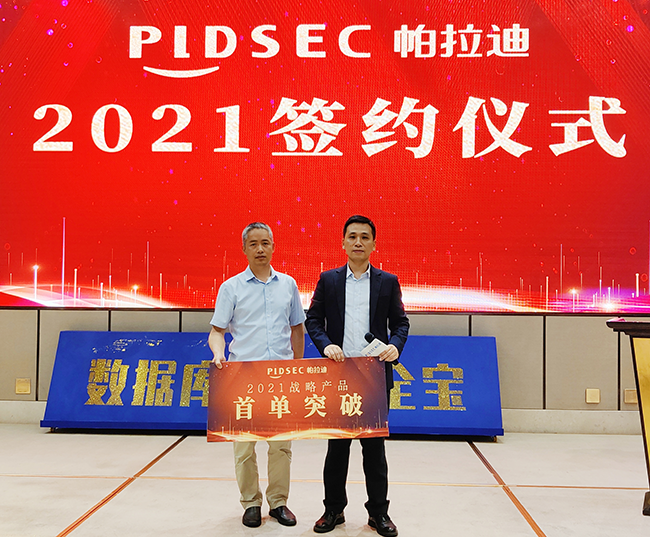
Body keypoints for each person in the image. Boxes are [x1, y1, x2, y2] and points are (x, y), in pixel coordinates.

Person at [305, 215, 409, 537]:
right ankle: (333, 510)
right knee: (337, 450)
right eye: (352, 236)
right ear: (343, 243)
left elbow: (400, 324)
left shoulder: (387, 281)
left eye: (365, 237)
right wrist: (325, 345)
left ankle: (378, 513)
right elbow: (313, 320)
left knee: (374, 450)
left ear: (374, 244)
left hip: (373, 375)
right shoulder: (329, 280)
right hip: (339, 373)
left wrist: (394, 346)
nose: (358, 242)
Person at [208, 222, 305, 528]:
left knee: (281, 446)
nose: (260, 249)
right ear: (244, 249)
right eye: (254, 244)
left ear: (274, 247)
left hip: (281, 378)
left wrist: (296, 366)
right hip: (243, 378)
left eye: (265, 243)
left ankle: (278, 502)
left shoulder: (288, 285)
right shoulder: (231, 287)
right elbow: (217, 331)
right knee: (243, 446)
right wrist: (218, 353)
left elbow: (297, 329)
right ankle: (251, 502)